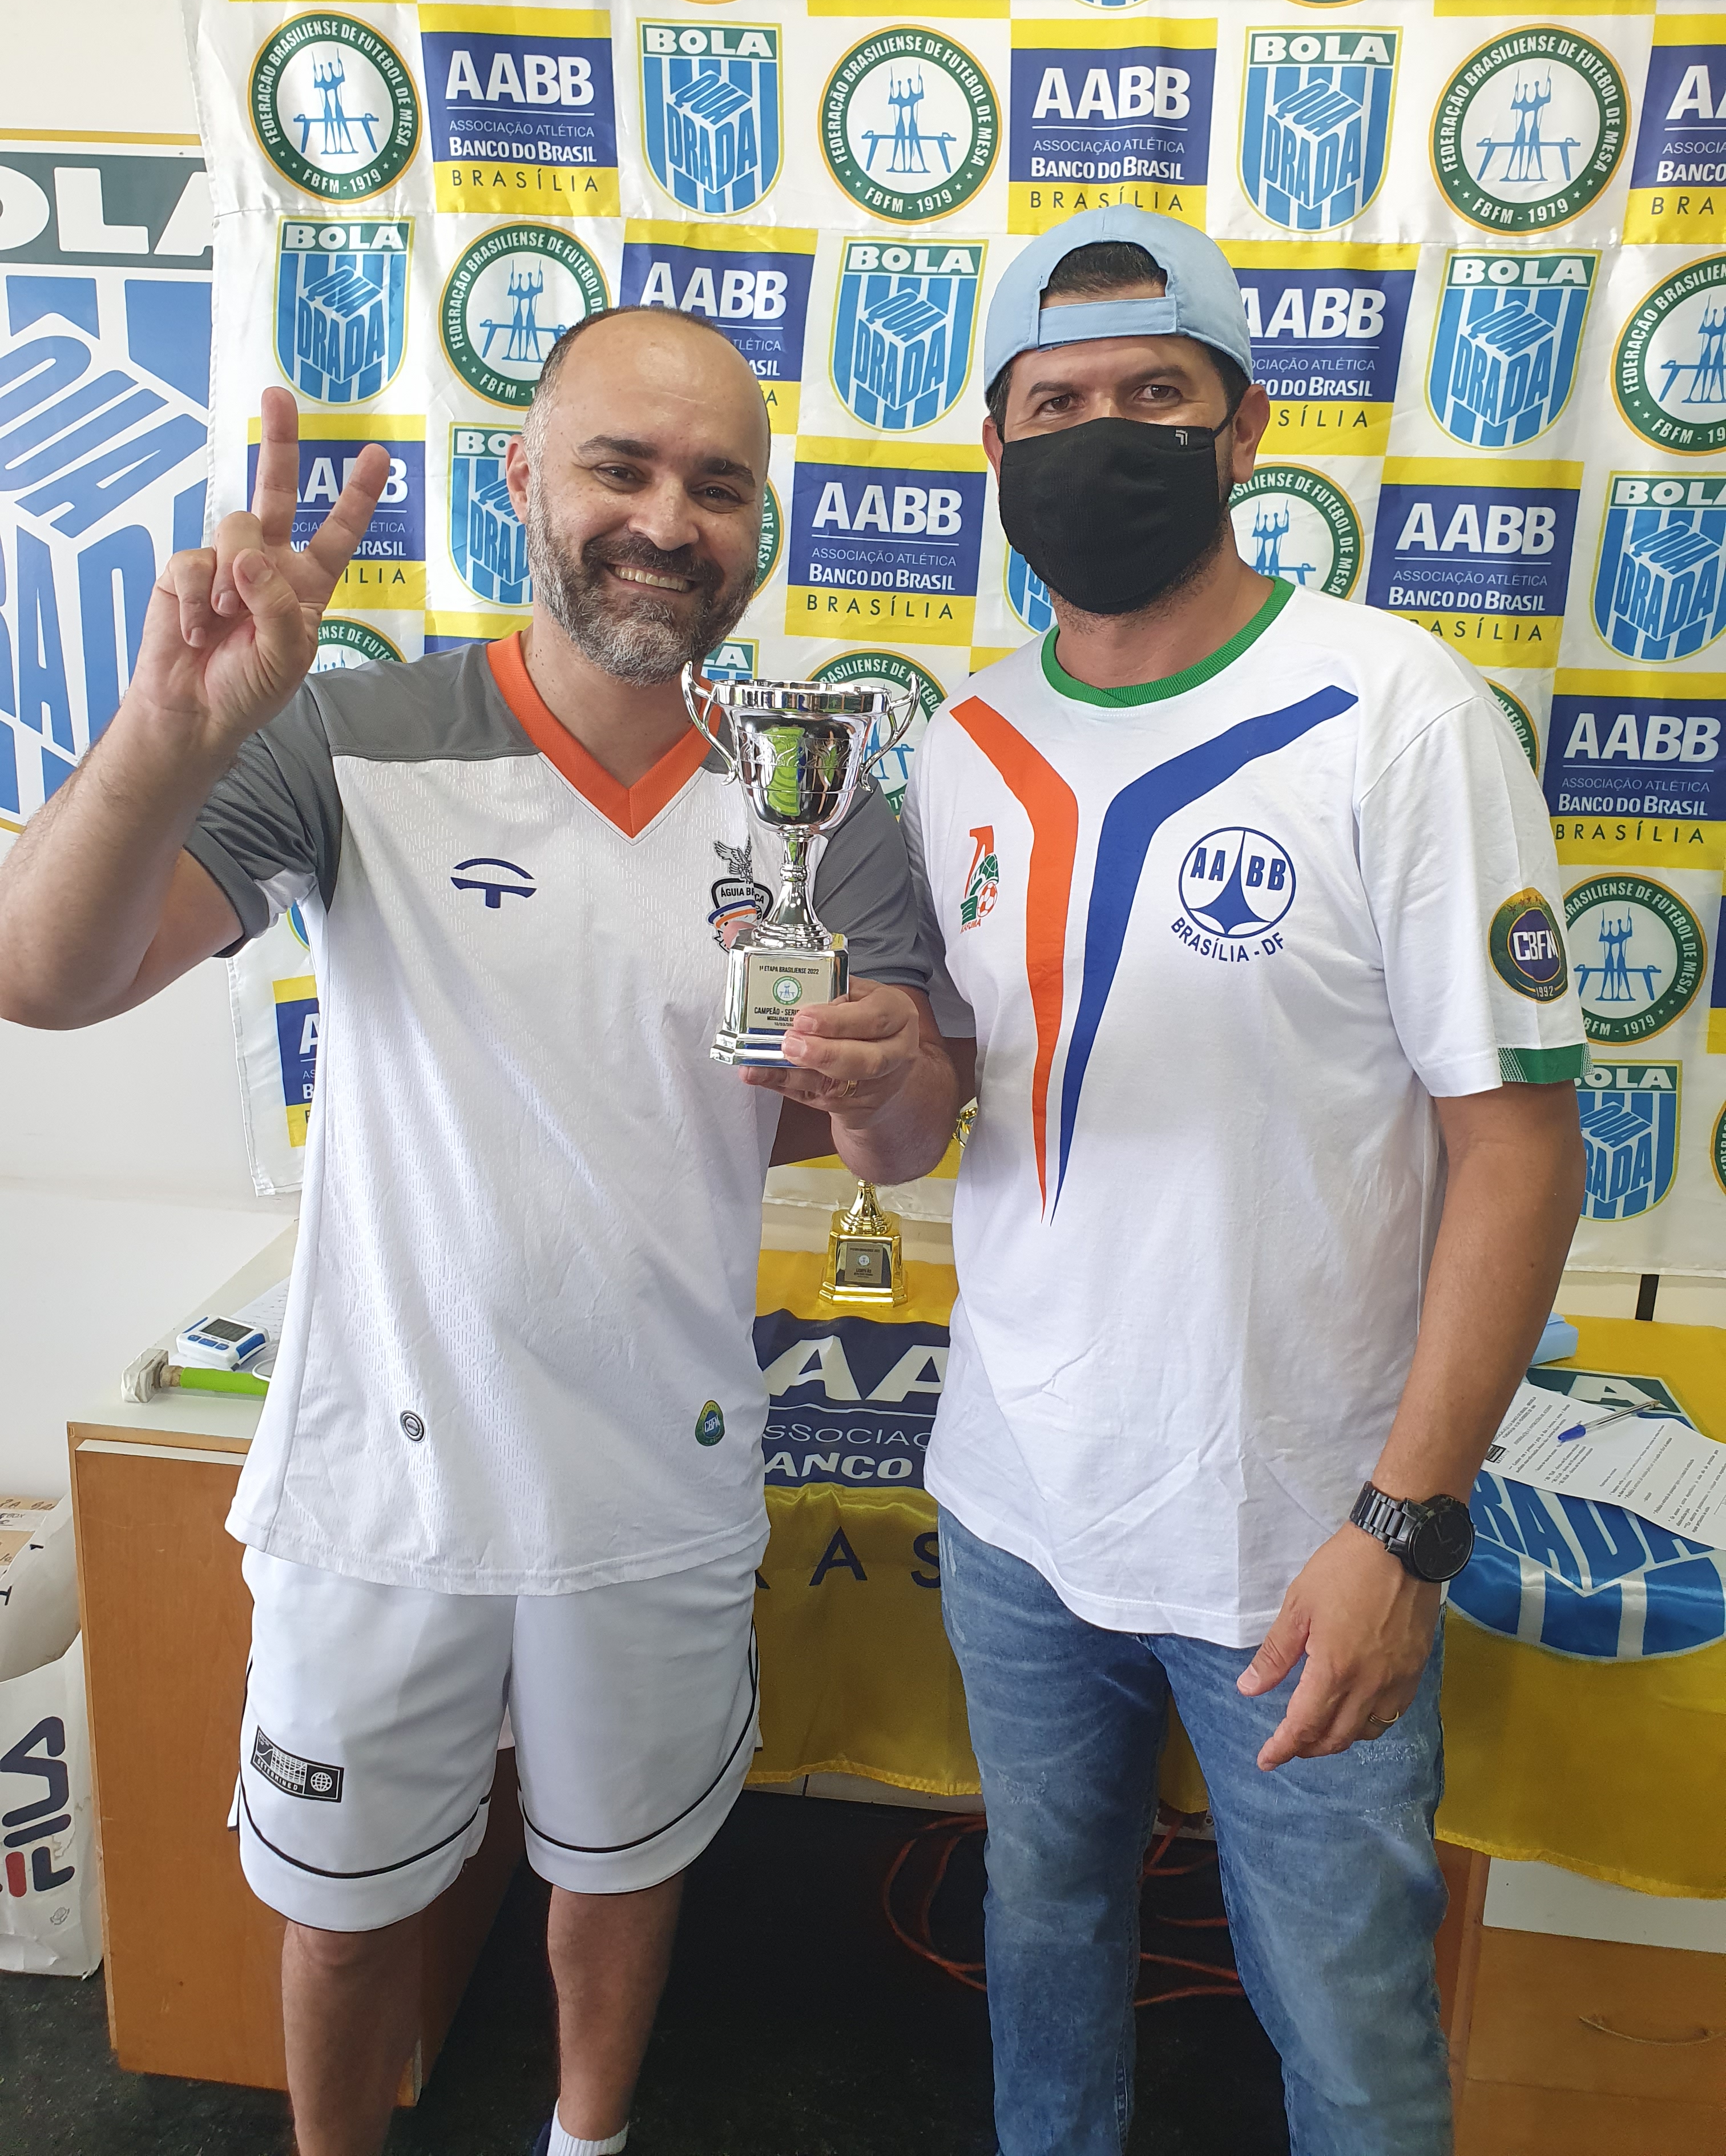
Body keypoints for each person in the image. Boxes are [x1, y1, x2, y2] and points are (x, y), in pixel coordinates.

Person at [0, 307, 954, 2156]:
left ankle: (586, 2140)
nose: (667, 521)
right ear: (523, 476)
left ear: (761, 524)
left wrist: (890, 1073)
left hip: (657, 1476)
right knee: (345, 1916)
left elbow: (905, 1142)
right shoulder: (344, 736)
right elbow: (44, 975)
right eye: (622, 466)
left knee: (617, 1878)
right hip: (384, 1483)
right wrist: (164, 733)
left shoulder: (820, 794)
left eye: (718, 485)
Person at [834, 205, 1588, 2155]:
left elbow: (1521, 1150)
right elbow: (947, 1116)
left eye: (1155, 394)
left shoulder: (1398, 712)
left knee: (1349, 2032)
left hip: (1299, 1536)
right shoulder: (959, 745)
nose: (1105, 435)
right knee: (1044, 1937)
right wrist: (880, 1087)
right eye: (1056, 402)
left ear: (1243, 426)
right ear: (994, 446)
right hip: (1018, 1507)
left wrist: (1403, 1527)